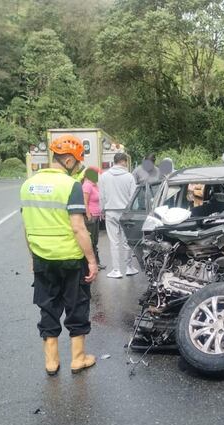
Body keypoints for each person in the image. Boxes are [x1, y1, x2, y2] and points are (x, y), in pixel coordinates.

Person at [20, 134, 99, 376]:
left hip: (43, 258)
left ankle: (51, 362)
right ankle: (78, 359)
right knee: (77, 306)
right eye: (76, 161)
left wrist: (33, 257)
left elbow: (26, 226)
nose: (77, 166)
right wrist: (92, 260)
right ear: (68, 160)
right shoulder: (70, 185)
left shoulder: (28, 185)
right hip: (70, 259)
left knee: (48, 306)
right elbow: (78, 227)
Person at [97, 152, 138, 279]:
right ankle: (129, 268)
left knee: (114, 242)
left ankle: (116, 270)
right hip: (126, 212)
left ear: (114, 162)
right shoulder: (129, 176)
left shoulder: (104, 176)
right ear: (124, 162)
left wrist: (102, 210)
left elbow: (102, 195)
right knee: (127, 241)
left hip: (110, 211)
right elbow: (133, 196)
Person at [82, 167, 105, 270]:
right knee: (90, 241)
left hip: (96, 216)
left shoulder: (94, 185)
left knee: (95, 241)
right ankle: (90, 263)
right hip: (90, 217)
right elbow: (85, 201)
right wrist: (88, 215)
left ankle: (96, 262)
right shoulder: (87, 185)